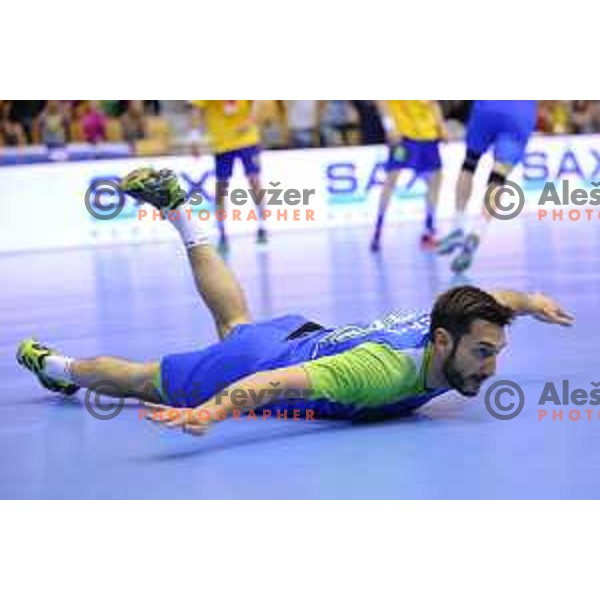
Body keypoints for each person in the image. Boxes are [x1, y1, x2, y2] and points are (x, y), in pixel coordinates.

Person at [16, 168, 574, 436]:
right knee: (142, 380)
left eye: (495, 350)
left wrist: (531, 300)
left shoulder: (447, 316)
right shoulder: (378, 373)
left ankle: (184, 211)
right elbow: (274, 387)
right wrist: (211, 410)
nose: (492, 365)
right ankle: (54, 365)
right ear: (444, 341)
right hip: (256, 365)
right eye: (483, 352)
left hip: (297, 335)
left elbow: (497, 298)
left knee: (236, 320)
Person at [437, 100, 538, 273]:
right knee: (499, 176)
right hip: (520, 111)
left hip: (487, 106)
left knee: (469, 164)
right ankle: (477, 232)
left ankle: (457, 226)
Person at [370, 100, 448, 252]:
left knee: (435, 181)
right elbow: (381, 101)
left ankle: (429, 230)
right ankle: (377, 232)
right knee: (391, 180)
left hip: (428, 137)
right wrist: (389, 126)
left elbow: (433, 103)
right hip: (403, 138)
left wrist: (441, 126)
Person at [191, 100, 267, 252]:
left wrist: (250, 120)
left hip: (247, 139)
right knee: (221, 188)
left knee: (254, 181)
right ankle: (222, 232)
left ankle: (262, 226)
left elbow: (258, 101)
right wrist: (195, 138)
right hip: (222, 143)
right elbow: (196, 110)